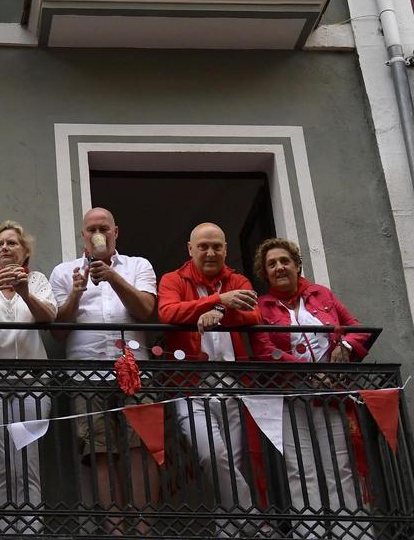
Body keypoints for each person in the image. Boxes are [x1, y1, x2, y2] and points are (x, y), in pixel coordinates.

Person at [250, 238, 372, 533]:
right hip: (292, 398)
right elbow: (265, 350)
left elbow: (358, 330)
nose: (279, 267)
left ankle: (353, 533)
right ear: (266, 274)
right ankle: (311, 533)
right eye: (272, 264)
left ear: (297, 265)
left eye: (285, 261)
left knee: (341, 466)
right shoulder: (261, 307)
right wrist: (310, 373)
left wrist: (344, 345)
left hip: (332, 396)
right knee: (300, 470)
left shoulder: (321, 294)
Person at [49, 207, 158, 532]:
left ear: (116, 232)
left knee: (143, 447)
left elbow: (145, 311)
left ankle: (145, 528)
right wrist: (75, 294)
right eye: (92, 229)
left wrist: (113, 277)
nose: (98, 233)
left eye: (104, 228)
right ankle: (115, 528)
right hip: (86, 373)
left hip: (135, 369)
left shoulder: (138, 266)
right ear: (83, 235)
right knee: (98, 450)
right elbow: (58, 330)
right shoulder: (64, 271)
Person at [158, 222, 261, 534]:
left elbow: (255, 314)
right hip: (191, 386)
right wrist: (216, 302)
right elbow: (167, 312)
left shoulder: (238, 279)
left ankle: (228, 529)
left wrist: (220, 310)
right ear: (190, 250)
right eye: (203, 246)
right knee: (211, 455)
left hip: (234, 385)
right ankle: (252, 521)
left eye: (217, 246)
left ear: (226, 249)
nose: (211, 252)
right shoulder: (173, 279)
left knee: (235, 462)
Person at [0, 221, 55, 534]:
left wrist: (26, 291)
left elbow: (48, 317)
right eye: (1, 244)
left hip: (31, 384)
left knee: (27, 457)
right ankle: (4, 526)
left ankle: (32, 527)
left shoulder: (39, 280)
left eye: (12, 243)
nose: (5, 248)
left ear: (25, 250)